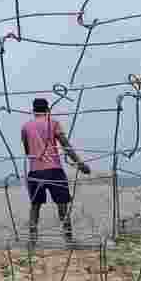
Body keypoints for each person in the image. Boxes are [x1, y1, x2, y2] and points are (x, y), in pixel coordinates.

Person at [21, 98, 91, 248]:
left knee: (35, 206)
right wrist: (80, 164)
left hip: (35, 172)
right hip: (54, 170)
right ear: (48, 110)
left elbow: (27, 151)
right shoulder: (53, 123)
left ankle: (32, 241)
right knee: (62, 207)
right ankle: (69, 239)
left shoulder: (25, 127)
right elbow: (66, 146)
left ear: (33, 110)